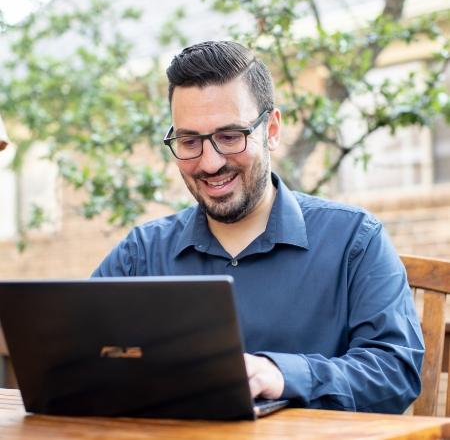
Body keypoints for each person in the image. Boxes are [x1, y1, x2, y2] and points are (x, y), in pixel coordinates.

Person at [92, 41, 424, 413]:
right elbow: (75, 359)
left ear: (272, 130)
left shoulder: (354, 239)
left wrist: (280, 375)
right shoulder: (141, 254)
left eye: (230, 136)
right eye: (189, 141)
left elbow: (395, 373)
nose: (211, 162)